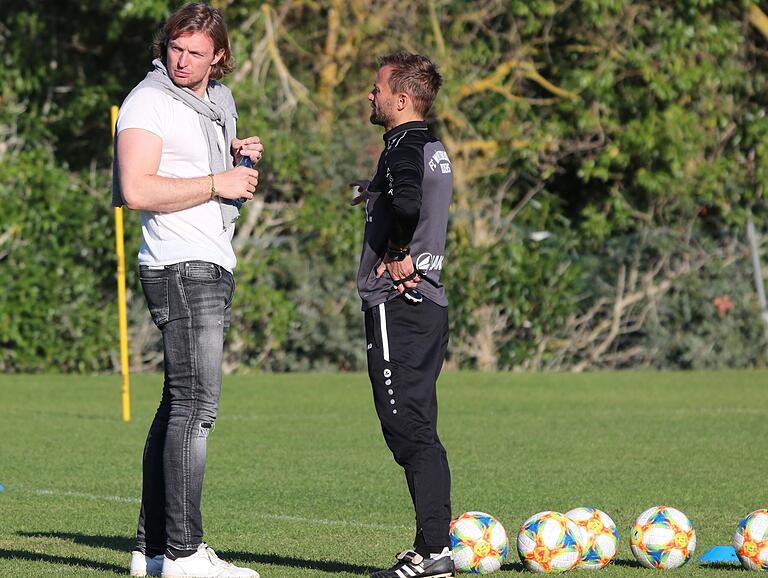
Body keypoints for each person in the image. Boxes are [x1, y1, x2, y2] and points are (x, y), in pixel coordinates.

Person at [112, 4, 262, 577]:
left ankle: (151, 552)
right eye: (175, 47)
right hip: (179, 266)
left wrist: (238, 167)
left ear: (218, 57)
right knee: (196, 410)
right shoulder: (147, 100)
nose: (181, 60)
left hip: (210, 259)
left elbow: (219, 190)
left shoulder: (217, 103)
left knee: (178, 405)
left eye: (195, 52)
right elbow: (136, 188)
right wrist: (215, 181)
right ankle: (184, 555)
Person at [355, 52, 455, 578]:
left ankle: (436, 550)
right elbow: (408, 195)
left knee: (406, 428)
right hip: (426, 307)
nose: (370, 96)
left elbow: (410, 203)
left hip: (401, 304)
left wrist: (395, 250)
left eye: (376, 89)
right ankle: (428, 548)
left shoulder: (402, 144)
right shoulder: (429, 145)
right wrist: (372, 195)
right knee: (418, 427)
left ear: (400, 98)